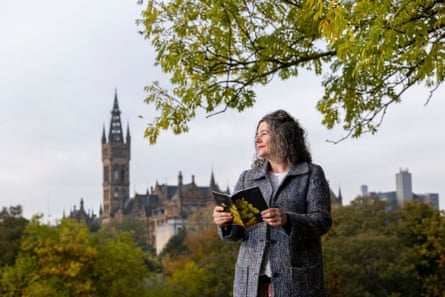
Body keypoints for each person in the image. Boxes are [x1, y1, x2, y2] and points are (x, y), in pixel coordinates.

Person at [213, 110, 332, 297]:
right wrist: (225, 222)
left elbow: (322, 221)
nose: (257, 139)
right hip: (250, 284)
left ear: (282, 136)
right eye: (256, 135)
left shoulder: (311, 174)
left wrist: (288, 220)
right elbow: (236, 234)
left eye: (264, 133)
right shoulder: (248, 178)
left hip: (297, 283)